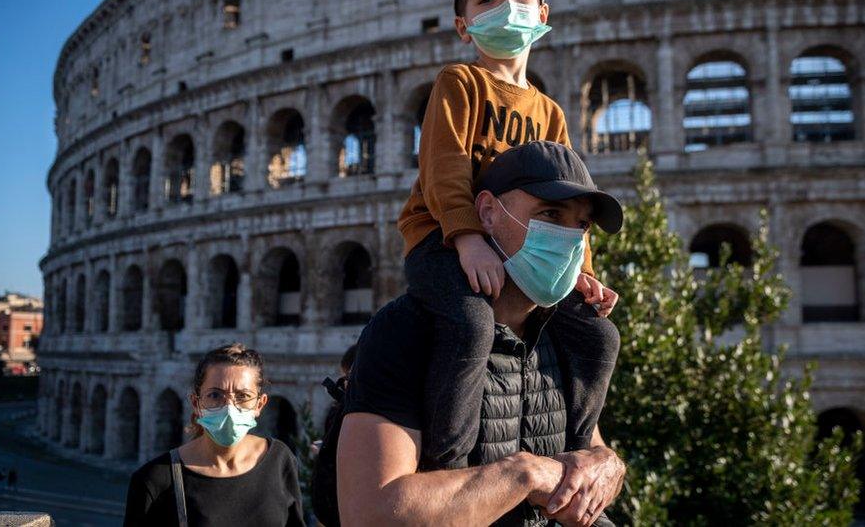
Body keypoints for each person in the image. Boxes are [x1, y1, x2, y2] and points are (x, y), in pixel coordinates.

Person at [331, 142, 627, 526]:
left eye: (582, 225)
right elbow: (371, 515)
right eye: (550, 213)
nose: (568, 240)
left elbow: (590, 455)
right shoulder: (405, 332)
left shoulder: (570, 335)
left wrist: (610, 466)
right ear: (487, 212)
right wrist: (524, 475)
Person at [397, 0, 622, 470]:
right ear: (464, 26)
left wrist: (579, 267)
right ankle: (449, 462)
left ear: (543, 14)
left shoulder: (550, 112)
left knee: (598, 336)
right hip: (439, 237)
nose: (505, 6)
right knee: (472, 322)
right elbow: (445, 167)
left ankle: (579, 450)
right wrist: (467, 238)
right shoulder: (460, 82)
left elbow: (571, 198)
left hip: (515, 247)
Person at [124, 344, 305, 526]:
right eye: (215, 395)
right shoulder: (154, 480)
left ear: (260, 404)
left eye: (243, 396)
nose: (229, 408)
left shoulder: (280, 460)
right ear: (196, 403)